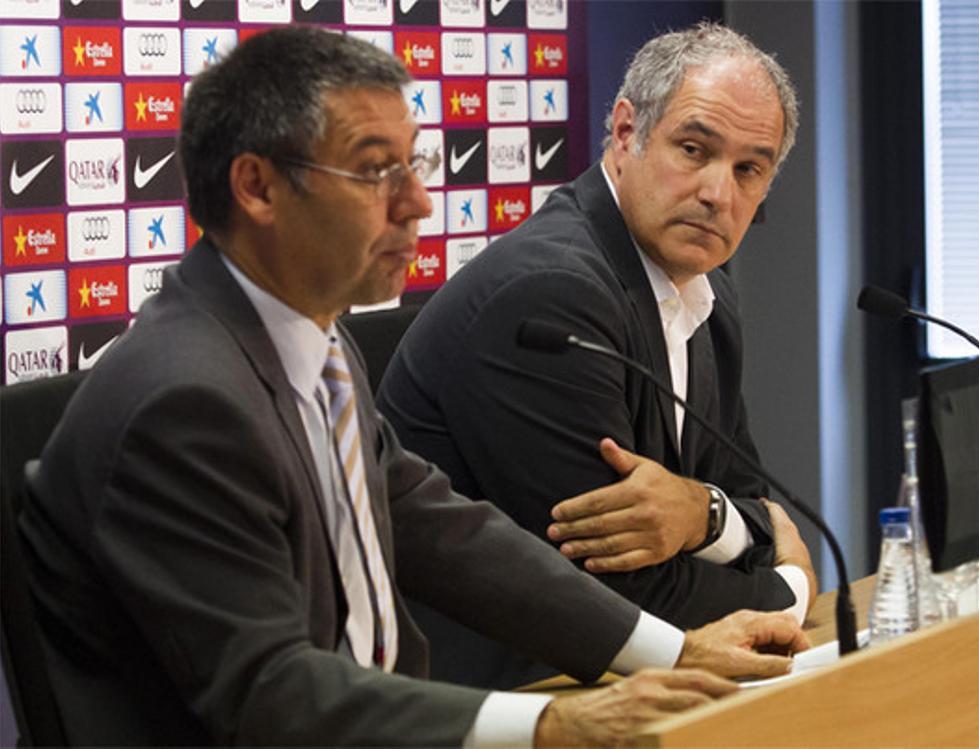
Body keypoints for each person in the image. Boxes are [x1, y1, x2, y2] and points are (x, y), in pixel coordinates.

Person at [17, 27, 809, 747]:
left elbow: (446, 532)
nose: (419, 203)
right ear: (257, 187)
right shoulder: (184, 399)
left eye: (414, 165)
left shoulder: (312, 344)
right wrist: (548, 721)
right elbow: (269, 690)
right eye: (374, 172)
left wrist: (673, 650)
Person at [378, 23, 818, 689]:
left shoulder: (706, 292)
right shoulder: (550, 296)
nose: (717, 193)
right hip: (500, 692)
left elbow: (751, 498)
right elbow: (625, 593)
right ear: (623, 132)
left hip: (624, 680)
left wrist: (705, 513)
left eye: (748, 169)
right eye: (694, 149)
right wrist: (789, 588)